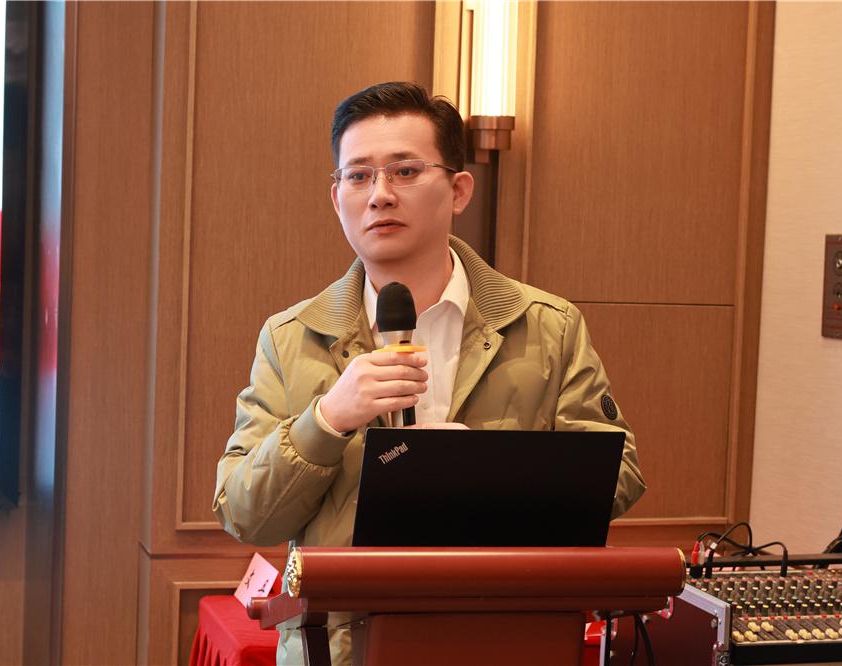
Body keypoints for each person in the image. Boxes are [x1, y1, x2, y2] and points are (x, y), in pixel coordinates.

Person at [213, 81, 646, 665]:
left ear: (459, 189)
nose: (380, 195)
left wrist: (478, 471)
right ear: (337, 197)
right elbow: (244, 514)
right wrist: (327, 420)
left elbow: (617, 476)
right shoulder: (290, 337)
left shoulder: (547, 326)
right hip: (341, 649)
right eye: (359, 176)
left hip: (505, 643)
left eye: (406, 171)